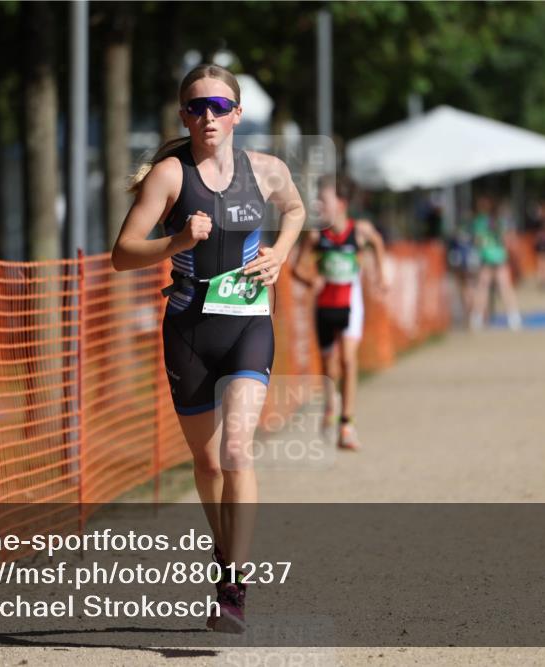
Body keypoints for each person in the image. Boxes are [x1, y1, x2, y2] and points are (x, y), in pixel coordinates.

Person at [111, 64, 305, 633]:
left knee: (238, 452)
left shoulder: (267, 171)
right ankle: (225, 558)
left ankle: (233, 587)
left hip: (249, 326)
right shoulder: (170, 177)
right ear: (182, 114)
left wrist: (282, 252)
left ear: (238, 114)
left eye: (219, 106)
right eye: (196, 107)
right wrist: (177, 240)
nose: (208, 116)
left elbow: (294, 210)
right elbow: (122, 254)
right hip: (189, 333)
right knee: (206, 461)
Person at [291, 175, 390, 451]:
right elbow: (296, 268)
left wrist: (382, 276)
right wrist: (311, 280)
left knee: (347, 360)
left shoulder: (360, 230)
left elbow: (378, 243)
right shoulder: (315, 235)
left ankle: (346, 425)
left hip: (351, 303)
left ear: (342, 203)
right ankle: (330, 402)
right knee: (328, 366)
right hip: (323, 305)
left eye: (324, 200)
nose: (319, 205)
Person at [469, 196, 522, 331]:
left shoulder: (480, 222)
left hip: (490, 258)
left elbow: (478, 241)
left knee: (484, 289)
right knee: (502, 288)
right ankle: (513, 317)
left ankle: (478, 318)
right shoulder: (498, 221)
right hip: (497, 258)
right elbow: (507, 239)